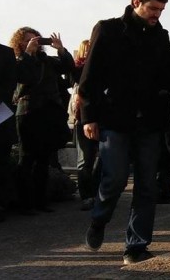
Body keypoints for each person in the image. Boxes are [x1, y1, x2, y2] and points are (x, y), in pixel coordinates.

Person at [78, 0, 170, 265]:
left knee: (147, 187)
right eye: (153, 8)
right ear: (136, 2)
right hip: (114, 119)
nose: (157, 14)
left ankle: (136, 245)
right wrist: (89, 117)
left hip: (149, 122)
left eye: (161, 9)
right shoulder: (107, 30)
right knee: (115, 178)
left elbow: (168, 73)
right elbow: (89, 78)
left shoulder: (161, 35)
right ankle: (99, 219)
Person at [11, 28, 74, 215]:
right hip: (28, 112)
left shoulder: (47, 61)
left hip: (48, 113)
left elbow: (67, 67)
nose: (35, 43)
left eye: (36, 40)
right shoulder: (18, 61)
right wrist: (28, 54)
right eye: (30, 40)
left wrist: (61, 50)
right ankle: (25, 203)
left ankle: (40, 201)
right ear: (20, 43)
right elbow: (22, 76)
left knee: (44, 159)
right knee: (27, 158)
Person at [69, 39, 100, 211]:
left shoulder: (104, 66)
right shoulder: (79, 69)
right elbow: (74, 76)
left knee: (101, 158)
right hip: (83, 118)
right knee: (86, 159)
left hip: (103, 117)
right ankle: (87, 195)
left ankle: (96, 193)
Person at [0, 42, 17, 222]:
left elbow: (9, 86)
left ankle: (2, 204)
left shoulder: (5, 53)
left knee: (1, 163)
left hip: (1, 115)